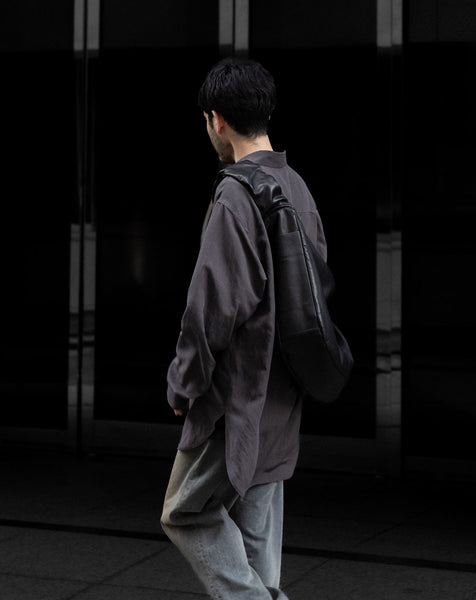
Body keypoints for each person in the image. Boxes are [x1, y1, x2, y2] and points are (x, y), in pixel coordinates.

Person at [160, 57, 327, 600]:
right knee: (258, 541)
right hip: (284, 394)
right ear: (266, 113)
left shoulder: (236, 193)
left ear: (217, 120)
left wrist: (184, 383)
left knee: (184, 512)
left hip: (237, 400)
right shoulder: (296, 186)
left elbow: (210, 307)